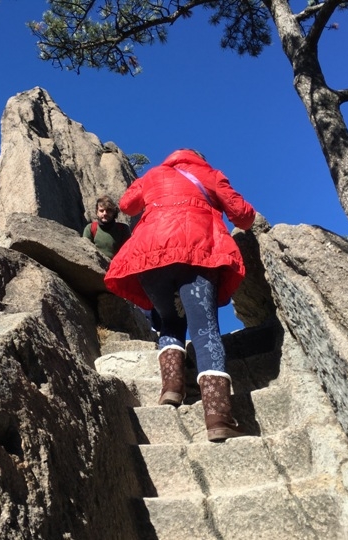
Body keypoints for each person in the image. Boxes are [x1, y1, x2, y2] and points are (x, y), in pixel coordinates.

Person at [104, 149, 256, 442]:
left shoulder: (154, 174)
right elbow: (244, 216)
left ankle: (171, 389)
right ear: (198, 159)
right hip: (197, 253)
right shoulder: (210, 175)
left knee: (170, 320)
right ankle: (218, 415)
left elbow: (127, 204)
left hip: (151, 257)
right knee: (205, 327)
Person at [82, 195, 131, 260]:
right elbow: (85, 250)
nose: (105, 213)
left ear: (114, 212)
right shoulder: (90, 228)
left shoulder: (123, 229)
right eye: (101, 211)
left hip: (117, 266)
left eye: (108, 210)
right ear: (97, 212)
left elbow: (128, 253)